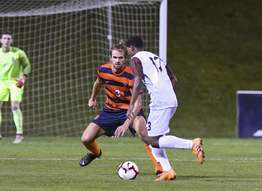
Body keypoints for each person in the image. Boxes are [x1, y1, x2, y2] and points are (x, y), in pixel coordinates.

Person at [115, 36, 204, 181]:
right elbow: (174, 79)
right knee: (154, 137)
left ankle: (192, 145)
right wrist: (169, 96)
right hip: (170, 100)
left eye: (127, 51)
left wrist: (131, 105)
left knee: (150, 139)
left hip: (160, 102)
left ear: (131, 48)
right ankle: (168, 170)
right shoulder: (156, 57)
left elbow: (137, 82)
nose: (128, 54)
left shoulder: (136, 58)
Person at [79, 41, 163, 176]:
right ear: (110, 57)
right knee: (86, 139)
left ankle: (159, 166)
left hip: (130, 111)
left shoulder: (131, 75)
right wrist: (92, 98)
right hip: (110, 110)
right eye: (115, 57)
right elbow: (98, 84)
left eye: (121, 58)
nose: (117, 61)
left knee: (145, 135)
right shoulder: (103, 70)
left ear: (125, 58)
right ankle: (96, 153)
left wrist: (125, 125)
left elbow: (138, 105)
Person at [0, 30, 31, 144]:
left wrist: (23, 78)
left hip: (15, 82)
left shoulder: (18, 53)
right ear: (1, 40)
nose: (6, 40)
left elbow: (27, 65)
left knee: (14, 106)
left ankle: (19, 134)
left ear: (11, 41)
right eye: (4, 38)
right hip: (2, 82)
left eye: (9, 38)